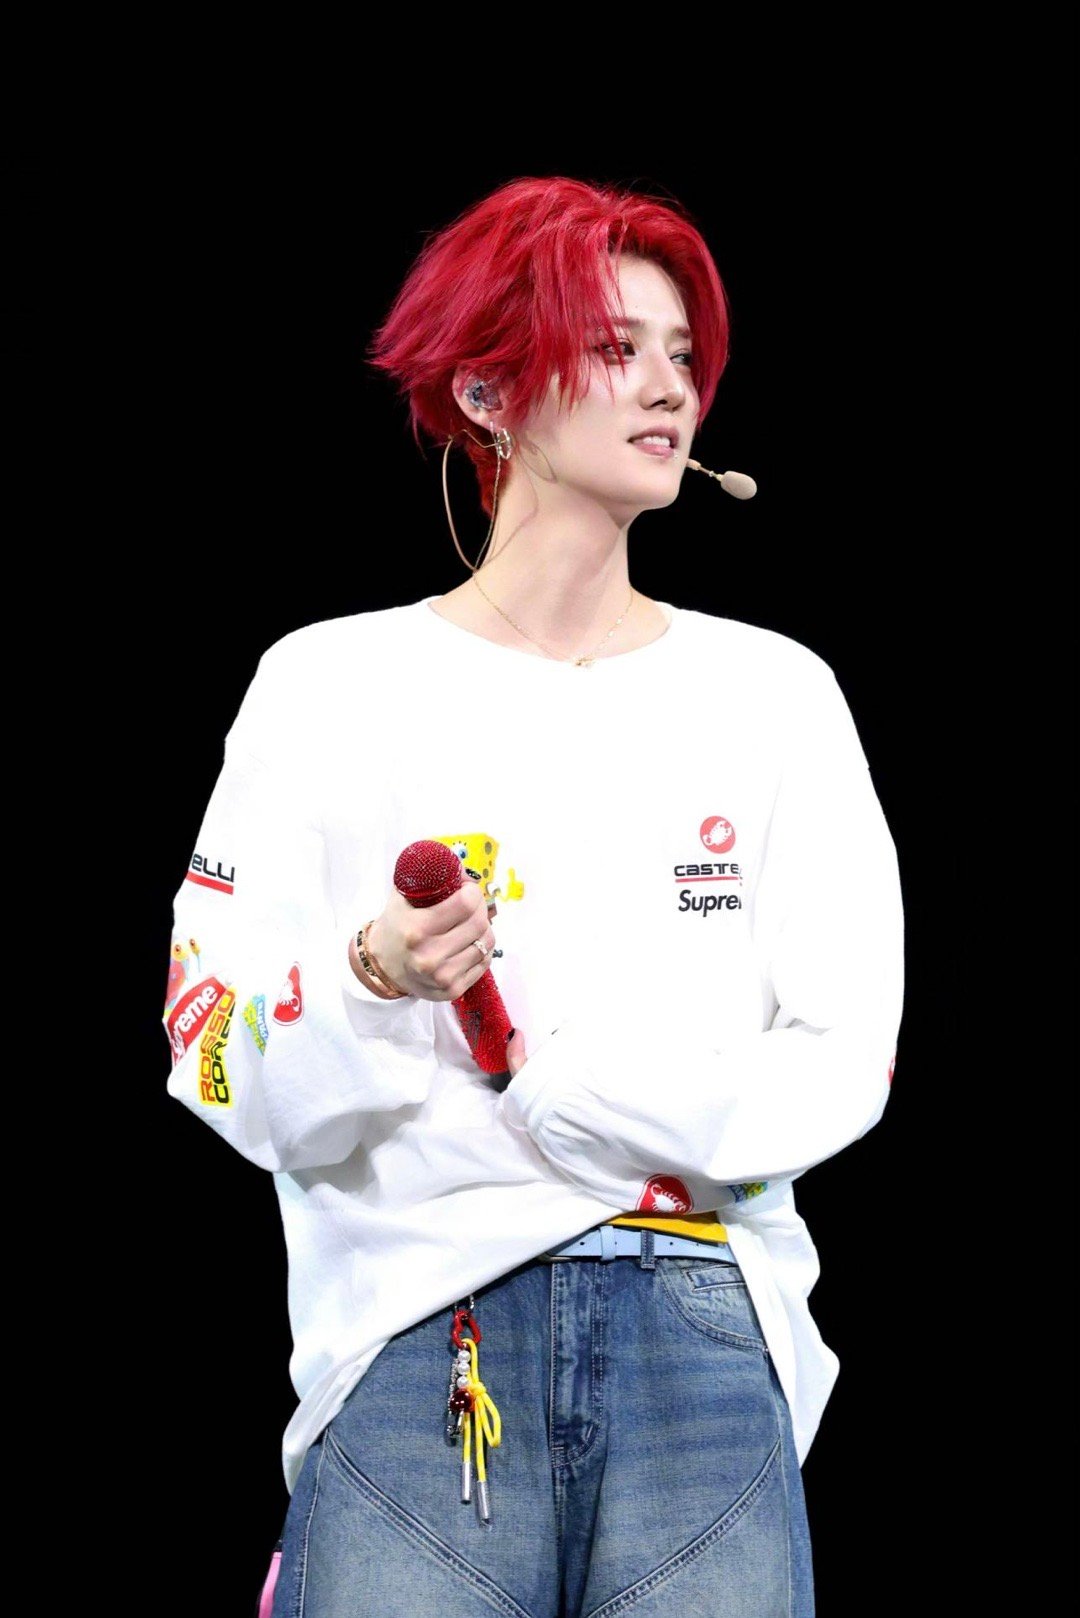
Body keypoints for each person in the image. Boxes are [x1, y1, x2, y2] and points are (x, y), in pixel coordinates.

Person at [164, 174, 904, 1618]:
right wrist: (372, 973)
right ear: (490, 389)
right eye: (616, 347)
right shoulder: (326, 684)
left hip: (703, 1331)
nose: (670, 385)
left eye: (683, 354)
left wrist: (565, 1090)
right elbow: (212, 1053)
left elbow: (841, 1059)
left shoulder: (776, 696)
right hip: (414, 1334)